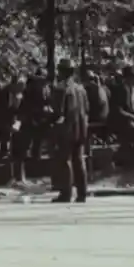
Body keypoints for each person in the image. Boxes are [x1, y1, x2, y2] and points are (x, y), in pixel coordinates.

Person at [51, 59, 89, 204]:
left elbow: (58, 111)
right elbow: (86, 109)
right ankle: (82, 193)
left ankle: (66, 193)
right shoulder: (81, 89)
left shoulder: (61, 89)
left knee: (65, 160)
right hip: (81, 128)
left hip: (66, 129)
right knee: (79, 160)